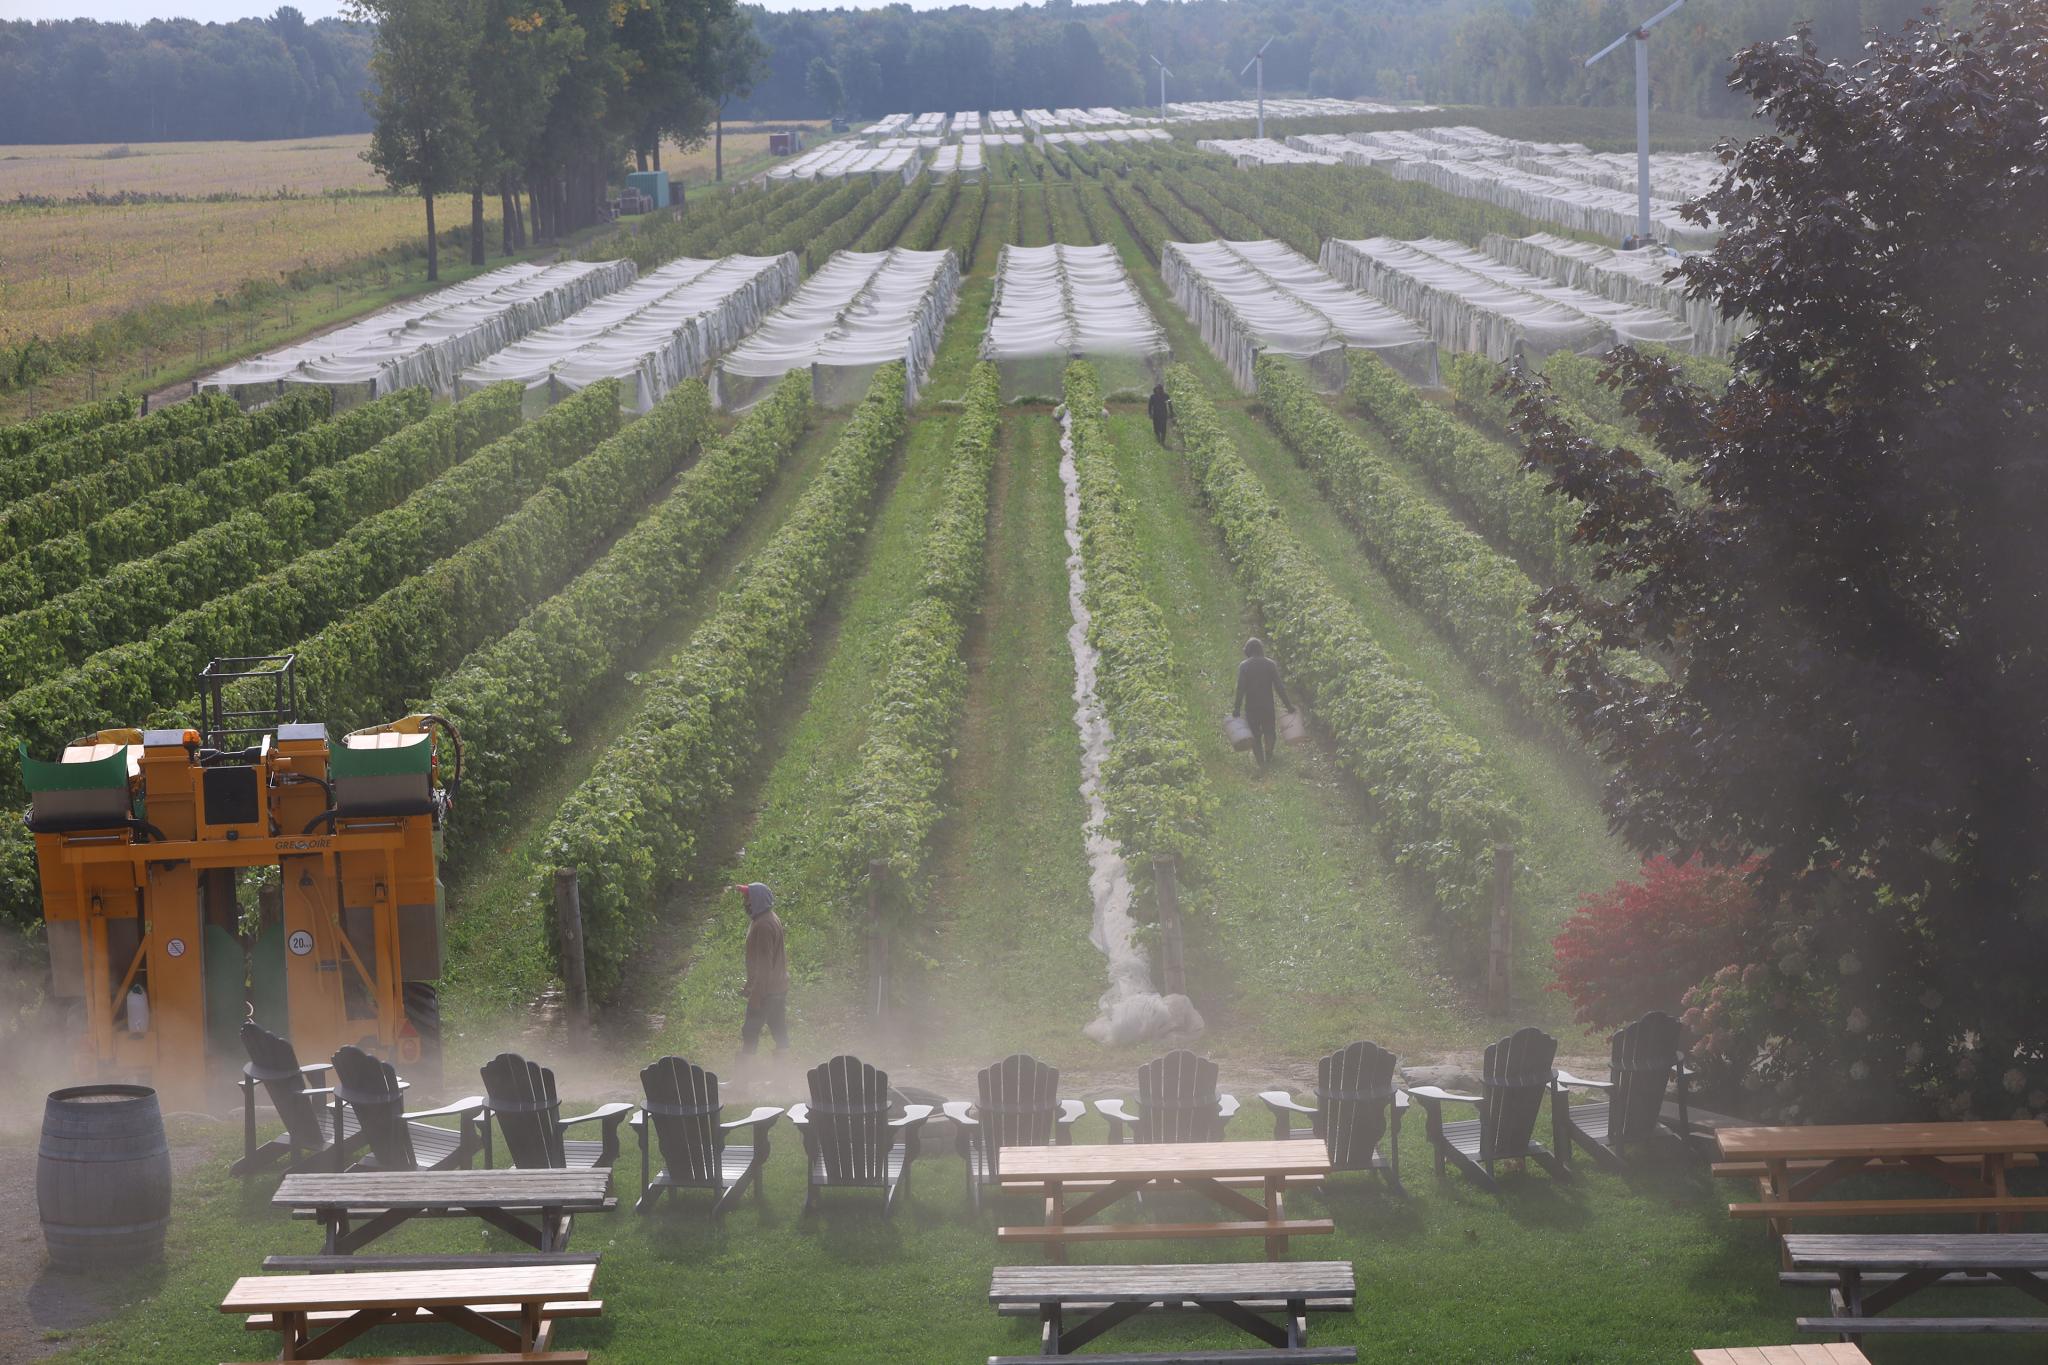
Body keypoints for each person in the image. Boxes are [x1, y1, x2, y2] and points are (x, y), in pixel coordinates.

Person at [735, 882, 788, 1055]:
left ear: (756, 900)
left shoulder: (763, 926)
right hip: (777, 988)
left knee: (750, 1031)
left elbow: (764, 965)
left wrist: (756, 996)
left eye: (747, 898)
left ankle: (743, 1078)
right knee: (779, 1031)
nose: (745, 902)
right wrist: (748, 985)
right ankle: (782, 1078)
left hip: (767, 992)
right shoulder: (769, 918)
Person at [1232, 637, 1295, 767]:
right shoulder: (1270, 664)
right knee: (1270, 731)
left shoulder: (1244, 666)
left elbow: (1240, 689)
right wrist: (1288, 705)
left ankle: (1261, 762)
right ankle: (1269, 754)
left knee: (1255, 735)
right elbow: (1279, 687)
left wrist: (1237, 708)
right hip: (1267, 706)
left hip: (1251, 707)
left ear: (1248, 651)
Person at [1148, 381, 1173, 446]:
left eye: (1160, 389)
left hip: (1163, 414)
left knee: (1163, 428)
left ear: (1162, 389)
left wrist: (1171, 412)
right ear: (1155, 389)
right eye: (1157, 389)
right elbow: (1150, 405)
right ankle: (1158, 438)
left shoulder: (1166, 396)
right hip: (1155, 414)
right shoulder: (1152, 397)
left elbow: (1170, 404)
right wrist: (1150, 413)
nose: (1158, 390)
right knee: (1156, 428)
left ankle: (1162, 441)